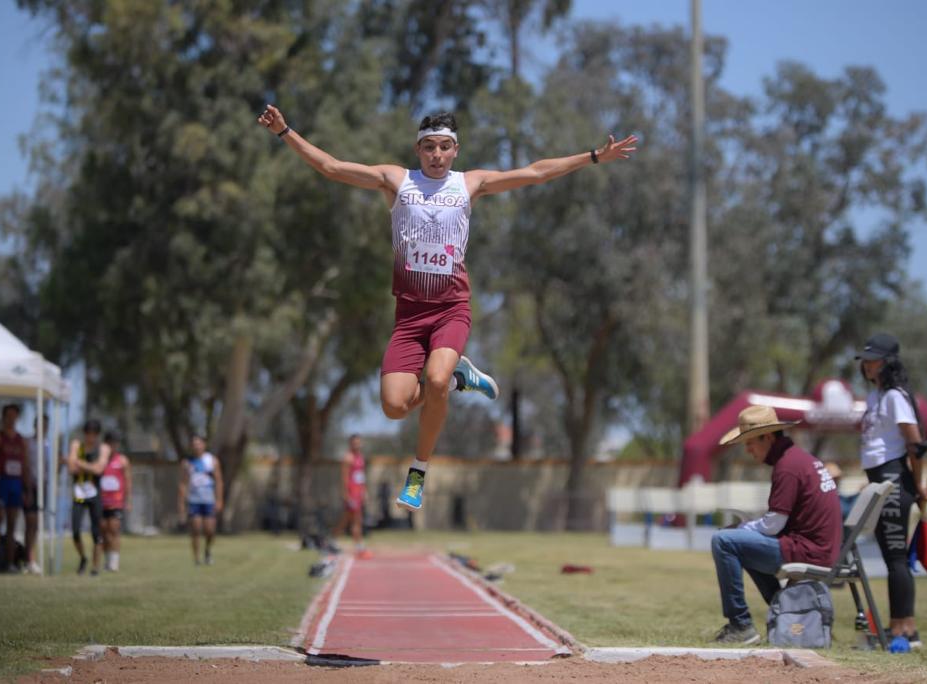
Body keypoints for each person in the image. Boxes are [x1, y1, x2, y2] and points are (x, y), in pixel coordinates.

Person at [257, 105, 638, 511]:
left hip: (450, 310)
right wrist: (285, 132)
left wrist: (593, 156)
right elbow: (331, 167)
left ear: (455, 150)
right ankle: (460, 380)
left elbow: (536, 172)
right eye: (428, 147)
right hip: (408, 317)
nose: (436, 154)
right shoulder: (397, 181)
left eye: (443, 147)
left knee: (434, 380)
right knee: (393, 406)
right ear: (417, 149)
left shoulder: (469, 184)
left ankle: (418, 473)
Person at [710, 405, 842, 644]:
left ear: (768, 437)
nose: (748, 449)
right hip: (817, 548)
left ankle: (740, 626)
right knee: (740, 544)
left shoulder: (787, 467)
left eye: (750, 441)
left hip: (808, 551)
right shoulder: (798, 459)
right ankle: (792, 616)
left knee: (723, 541)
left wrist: (742, 529)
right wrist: (747, 531)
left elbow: (773, 525)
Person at [856, 333, 927, 649]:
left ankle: (904, 630)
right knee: (892, 557)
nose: (867, 364)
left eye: (873, 359)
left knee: (896, 558)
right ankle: (901, 627)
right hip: (879, 477)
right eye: (865, 359)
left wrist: (916, 485)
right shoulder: (876, 396)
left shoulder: (894, 397)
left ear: (888, 363)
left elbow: (914, 443)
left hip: (893, 478)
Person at [66, 419, 110, 576]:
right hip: (79, 493)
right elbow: (71, 468)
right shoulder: (76, 445)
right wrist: (88, 466)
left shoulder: (103, 448)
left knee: (96, 532)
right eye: (88, 433)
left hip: (94, 494)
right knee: (76, 530)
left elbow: (99, 469)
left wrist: (80, 463)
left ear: (97, 435)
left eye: (94, 434)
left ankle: (95, 567)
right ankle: (83, 558)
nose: (90, 437)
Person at [0, 404, 29, 572]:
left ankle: (10, 563)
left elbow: (25, 465)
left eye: (14, 415)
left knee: (12, 524)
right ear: (4, 417)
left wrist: (27, 489)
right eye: (9, 415)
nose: (11, 418)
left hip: (16, 483)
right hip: (2, 481)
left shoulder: (21, 440)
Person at [178, 435, 223, 566]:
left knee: (210, 530)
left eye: (199, 443)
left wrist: (219, 500)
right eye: (194, 444)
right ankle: (196, 558)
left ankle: (208, 551)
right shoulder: (187, 463)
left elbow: (219, 481)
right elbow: (183, 484)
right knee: (196, 529)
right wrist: (181, 503)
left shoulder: (212, 461)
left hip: (209, 500)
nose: (196, 446)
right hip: (194, 500)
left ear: (204, 444)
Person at [332, 434, 370, 559]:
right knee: (355, 519)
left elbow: (361, 475)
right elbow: (344, 477)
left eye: (359, 443)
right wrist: (346, 494)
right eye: (354, 443)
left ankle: (333, 541)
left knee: (348, 518)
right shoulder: (348, 458)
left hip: (359, 492)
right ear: (350, 444)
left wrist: (364, 490)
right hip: (352, 492)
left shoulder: (360, 457)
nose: (357, 445)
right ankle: (359, 547)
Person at [22, 414, 50, 575]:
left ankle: (31, 559)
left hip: (42, 487)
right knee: (30, 523)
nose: (44, 428)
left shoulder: (48, 444)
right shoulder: (28, 443)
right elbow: (26, 465)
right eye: (41, 425)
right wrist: (28, 489)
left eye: (46, 425)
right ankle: (29, 559)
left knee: (36, 524)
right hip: (30, 486)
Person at [99, 431, 131, 572]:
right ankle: (107, 561)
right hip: (101, 501)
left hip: (116, 501)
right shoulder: (100, 460)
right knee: (104, 531)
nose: (113, 446)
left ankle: (114, 562)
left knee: (114, 530)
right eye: (110, 443)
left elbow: (128, 481)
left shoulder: (122, 460)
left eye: (115, 443)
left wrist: (128, 500)